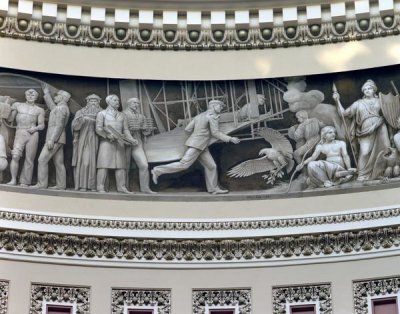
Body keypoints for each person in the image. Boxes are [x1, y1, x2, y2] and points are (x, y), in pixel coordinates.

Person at [151, 99, 240, 194]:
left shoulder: (199, 116)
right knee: (184, 164)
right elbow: (215, 133)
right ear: (213, 106)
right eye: (220, 106)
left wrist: (198, 134)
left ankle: (213, 189)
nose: (221, 108)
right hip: (197, 145)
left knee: (211, 166)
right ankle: (157, 170)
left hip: (201, 145)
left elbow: (187, 129)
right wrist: (230, 138)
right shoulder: (212, 117)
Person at [334, 79, 390, 181]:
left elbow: (389, 114)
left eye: (369, 88)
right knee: (365, 152)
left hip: (380, 127)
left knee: (384, 149)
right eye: (365, 89)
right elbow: (343, 113)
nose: (367, 90)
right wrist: (337, 101)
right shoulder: (358, 103)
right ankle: (362, 174)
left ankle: (379, 173)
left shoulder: (380, 101)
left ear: (374, 90)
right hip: (365, 128)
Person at [96, 94, 137, 193]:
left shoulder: (122, 115)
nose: (117, 102)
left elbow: (126, 129)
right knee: (103, 165)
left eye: (118, 101)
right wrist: (107, 135)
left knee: (121, 166)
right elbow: (98, 129)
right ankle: (100, 187)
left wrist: (131, 139)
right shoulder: (102, 114)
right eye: (115, 100)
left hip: (119, 143)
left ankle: (121, 187)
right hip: (106, 143)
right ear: (108, 102)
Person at [32, 84, 71, 189]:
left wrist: (52, 140)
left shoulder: (62, 108)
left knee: (42, 160)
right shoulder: (60, 108)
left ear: (62, 98)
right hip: (59, 139)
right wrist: (46, 93)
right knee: (59, 163)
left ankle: (42, 184)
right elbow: (52, 107)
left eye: (57, 96)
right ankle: (61, 185)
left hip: (55, 139)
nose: (55, 97)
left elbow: (59, 126)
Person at [7, 89, 45, 186]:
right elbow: (10, 119)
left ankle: (25, 181)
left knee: (29, 159)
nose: (30, 96)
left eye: (33, 95)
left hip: (33, 134)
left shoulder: (39, 110)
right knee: (15, 156)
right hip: (20, 131)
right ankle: (13, 179)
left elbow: (42, 125)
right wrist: (10, 108)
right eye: (28, 94)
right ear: (25, 96)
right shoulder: (18, 105)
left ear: (36, 97)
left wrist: (35, 128)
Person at [123, 97, 155, 194]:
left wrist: (147, 129)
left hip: (137, 143)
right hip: (125, 143)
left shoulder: (141, 116)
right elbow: (122, 129)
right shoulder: (123, 114)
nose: (136, 104)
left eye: (137, 103)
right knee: (125, 167)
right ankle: (124, 188)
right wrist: (130, 138)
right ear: (129, 104)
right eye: (134, 103)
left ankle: (145, 188)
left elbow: (145, 133)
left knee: (144, 165)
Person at [71, 94, 102, 191]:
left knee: (99, 163)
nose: (93, 103)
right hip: (84, 139)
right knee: (85, 162)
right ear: (87, 102)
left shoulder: (102, 112)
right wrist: (81, 120)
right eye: (91, 101)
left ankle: (95, 186)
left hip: (99, 139)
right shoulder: (80, 112)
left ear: (98, 102)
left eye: (95, 101)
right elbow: (75, 127)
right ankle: (83, 185)